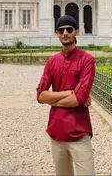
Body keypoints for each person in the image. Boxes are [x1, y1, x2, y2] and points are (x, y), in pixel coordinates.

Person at [36, 15, 96, 176]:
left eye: (69, 29)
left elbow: (80, 98)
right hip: (56, 131)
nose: (65, 33)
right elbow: (40, 96)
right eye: (60, 30)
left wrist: (53, 99)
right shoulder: (52, 61)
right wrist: (69, 93)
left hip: (79, 131)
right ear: (56, 33)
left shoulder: (87, 59)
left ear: (77, 32)